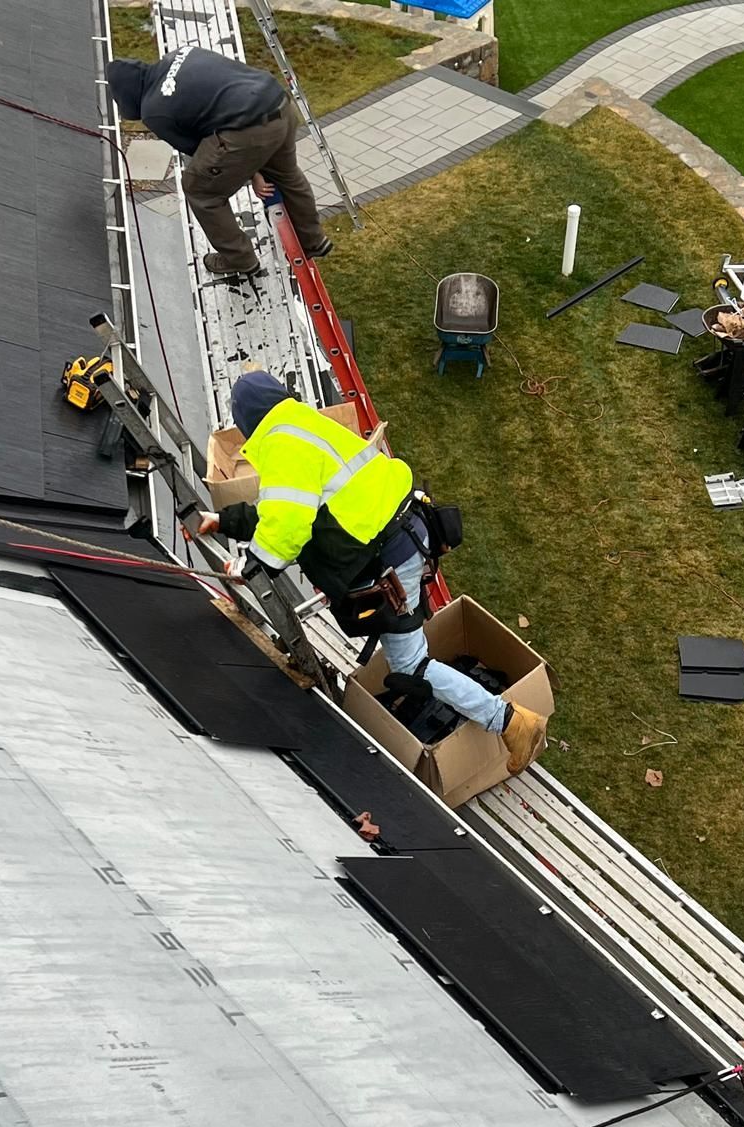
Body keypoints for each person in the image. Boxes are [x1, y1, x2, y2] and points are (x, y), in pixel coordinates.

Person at [199, 372, 546, 776]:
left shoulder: (280, 445)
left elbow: (289, 525)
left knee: (412, 667)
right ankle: (504, 717)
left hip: (391, 559)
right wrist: (223, 521)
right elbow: (288, 507)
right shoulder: (304, 427)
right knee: (406, 646)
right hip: (408, 538)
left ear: (246, 423)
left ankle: (511, 723)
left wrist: (252, 564)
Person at [107, 49, 330, 277]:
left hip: (248, 129)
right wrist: (256, 169)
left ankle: (240, 260)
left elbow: (205, 152)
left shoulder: (153, 111)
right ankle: (313, 240)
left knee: (201, 190)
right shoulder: (180, 54)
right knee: (287, 175)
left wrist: (252, 174)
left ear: (127, 95)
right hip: (278, 103)